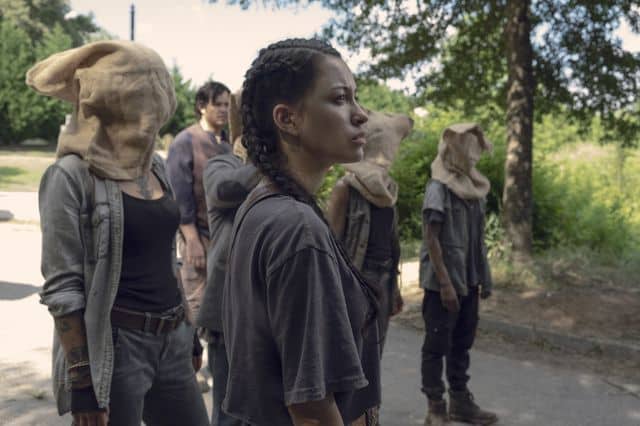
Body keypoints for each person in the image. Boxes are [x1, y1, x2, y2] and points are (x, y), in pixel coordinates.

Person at [29, 40, 209, 426]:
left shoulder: (153, 167)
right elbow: (63, 288)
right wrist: (83, 382)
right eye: (149, 92)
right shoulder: (69, 177)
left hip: (173, 338)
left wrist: (189, 332)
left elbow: (166, 257)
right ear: (117, 99)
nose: (160, 106)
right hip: (117, 350)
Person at [222, 38, 381, 426]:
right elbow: (311, 408)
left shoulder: (264, 204)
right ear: (287, 119)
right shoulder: (296, 227)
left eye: (355, 98)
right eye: (340, 99)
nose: (361, 115)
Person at [419, 123, 498, 426]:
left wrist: (484, 279)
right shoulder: (438, 187)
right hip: (444, 283)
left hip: (470, 279)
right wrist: (445, 284)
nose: (474, 158)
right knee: (436, 345)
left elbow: (477, 241)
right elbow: (431, 238)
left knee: (462, 343)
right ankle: (435, 407)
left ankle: (461, 403)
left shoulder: (474, 187)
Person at [327, 109, 413, 353]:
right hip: (357, 280)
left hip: (384, 279)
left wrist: (395, 289)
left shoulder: (389, 190)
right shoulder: (345, 188)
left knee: (375, 352)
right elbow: (331, 246)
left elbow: (391, 243)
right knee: (352, 352)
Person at [199, 90, 260, 426]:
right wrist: (272, 159)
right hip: (228, 316)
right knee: (230, 414)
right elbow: (225, 191)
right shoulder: (223, 164)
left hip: (270, 317)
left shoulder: (292, 175)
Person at [166, 81, 231, 320]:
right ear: (202, 106)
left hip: (226, 235)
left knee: (225, 305)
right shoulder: (186, 141)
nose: (224, 110)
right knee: (198, 302)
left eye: (227, 105)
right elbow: (179, 194)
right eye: (218, 104)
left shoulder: (229, 142)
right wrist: (192, 238)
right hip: (198, 235)